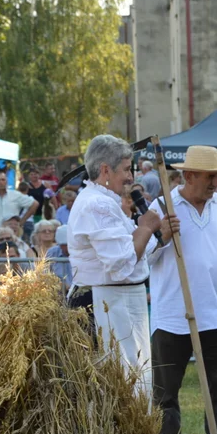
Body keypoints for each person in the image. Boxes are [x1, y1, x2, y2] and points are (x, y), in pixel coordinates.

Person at [148, 145, 217, 434]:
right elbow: (141, 258)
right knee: (165, 394)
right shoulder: (161, 205)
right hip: (173, 316)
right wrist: (160, 236)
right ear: (188, 175)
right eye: (210, 176)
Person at [68, 135, 167, 396]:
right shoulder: (96, 204)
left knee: (132, 384)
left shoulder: (105, 201)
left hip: (116, 303)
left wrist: (157, 233)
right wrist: (145, 227)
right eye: (126, 169)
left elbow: (134, 254)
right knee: (116, 391)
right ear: (105, 170)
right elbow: (121, 263)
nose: (130, 177)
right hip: (103, 306)